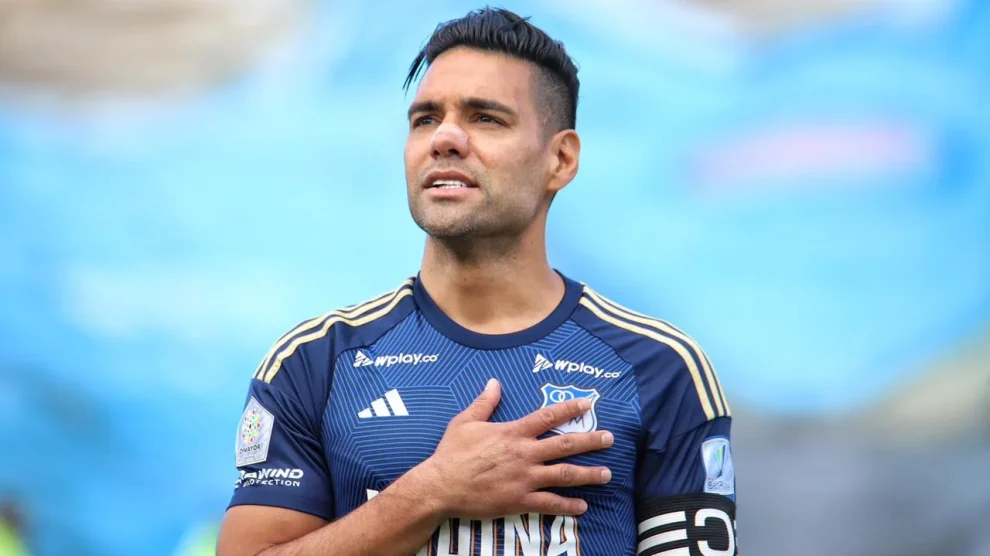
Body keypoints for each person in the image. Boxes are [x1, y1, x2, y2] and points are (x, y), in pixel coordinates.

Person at [217, 7, 736, 556]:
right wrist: (431, 492)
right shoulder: (314, 362)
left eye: (486, 118)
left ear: (561, 159)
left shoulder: (659, 365)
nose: (445, 138)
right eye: (425, 119)